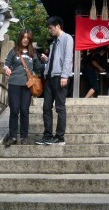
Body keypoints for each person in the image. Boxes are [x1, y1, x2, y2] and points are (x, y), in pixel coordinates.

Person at [35, 16, 73, 145]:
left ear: (58, 26)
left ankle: (60, 137)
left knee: (60, 107)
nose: (50, 30)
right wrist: (47, 60)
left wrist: (65, 76)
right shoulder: (53, 42)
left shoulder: (67, 38)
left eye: (51, 28)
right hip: (50, 77)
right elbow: (55, 60)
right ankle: (47, 135)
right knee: (46, 107)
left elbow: (68, 58)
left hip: (60, 76)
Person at [2, 29, 43, 146]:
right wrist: (7, 69)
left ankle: (24, 137)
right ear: (20, 38)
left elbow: (39, 67)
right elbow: (6, 64)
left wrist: (44, 60)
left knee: (24, 110)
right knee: (14, 110)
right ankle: (13, 136)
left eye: (27, 38)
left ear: (30, 40)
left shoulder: (33, 53)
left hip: (27, 86)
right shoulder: (14, 51)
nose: (25, 40)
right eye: (24, 37)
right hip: (14, 84)